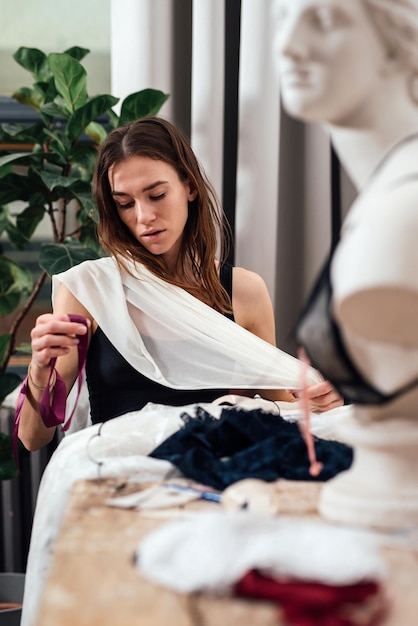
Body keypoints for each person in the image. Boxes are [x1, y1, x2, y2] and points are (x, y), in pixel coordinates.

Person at [17, 116, 341, 453]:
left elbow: (288, 403)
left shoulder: (243, 291)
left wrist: (322, 397)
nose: (143, 216)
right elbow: (32, 438)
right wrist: (39, 369)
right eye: (125, 204)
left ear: (189, 186)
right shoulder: (90, 290)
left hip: (211, 483)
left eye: (156, 195)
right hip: (117, 483)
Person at [274, 0, 418, 402]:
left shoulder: (402, 217)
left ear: (395, 42)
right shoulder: (385, 194)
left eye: (323, 20)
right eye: (281, 20)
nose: (288, 46)